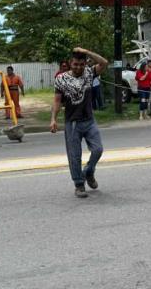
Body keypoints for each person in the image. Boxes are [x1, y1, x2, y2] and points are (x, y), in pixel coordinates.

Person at [51, 47, 109, 198]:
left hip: (89, 121)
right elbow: (57, 101)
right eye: (75, 64)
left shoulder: (90, 73)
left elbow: (104, 63)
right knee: (74, 156)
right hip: (72, 123)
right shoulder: (61, 79)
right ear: (71, 63)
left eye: (81, 64)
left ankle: (88, 172)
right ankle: (79, 184)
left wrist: (87, 51)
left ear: (85, 64)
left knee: (98, 150)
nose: (78, 67)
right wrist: (53, 119)